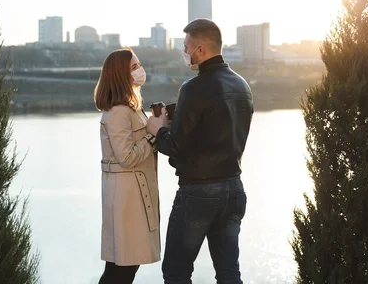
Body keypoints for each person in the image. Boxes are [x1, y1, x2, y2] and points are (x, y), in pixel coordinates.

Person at [146, 19, 254, 284]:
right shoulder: (243, 86)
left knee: (177, 272)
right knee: (229, 273)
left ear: (201, 49)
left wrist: (158, 129)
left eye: (186, 48)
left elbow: (175, 147)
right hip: (233, 188)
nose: (185, 53)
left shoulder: (193, 88)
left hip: (198, 193)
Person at [94, 48, 161, 284]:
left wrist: (156, 125)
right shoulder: (118, 112)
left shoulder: (130, 107)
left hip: (132, 193)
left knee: (124, 266)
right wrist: (152, 135)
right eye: (134, 67)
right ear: (121, 74)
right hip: (127, 197)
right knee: (121, 268)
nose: (139, 71)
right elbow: (127, 157)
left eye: (138, 65)